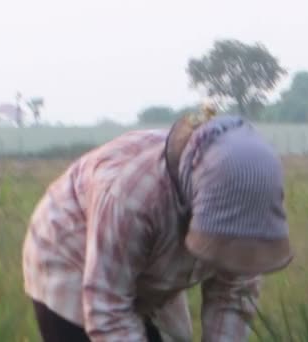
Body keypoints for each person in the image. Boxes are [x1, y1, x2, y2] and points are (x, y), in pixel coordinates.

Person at [22, 104, 293, 342]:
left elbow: (233, 296)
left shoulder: (250, 205)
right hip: (69, 253)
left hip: (147, 261)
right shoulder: (131, 197)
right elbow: (108, 308)